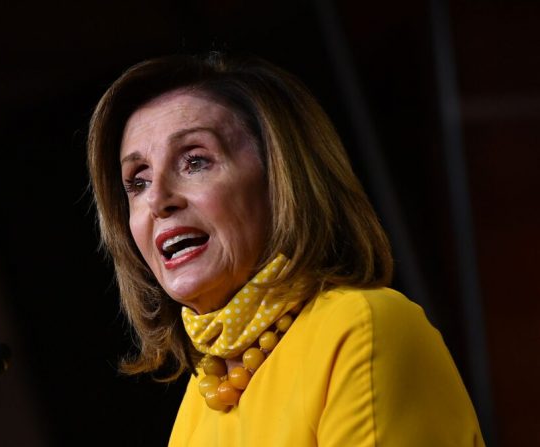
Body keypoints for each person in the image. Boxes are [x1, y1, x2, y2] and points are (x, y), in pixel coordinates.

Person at [86, 52, 484, 446]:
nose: (158, 200)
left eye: (195, 161)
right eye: (137, 181)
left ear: (280, 179)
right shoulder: (201, 400)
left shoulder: (362, 328)